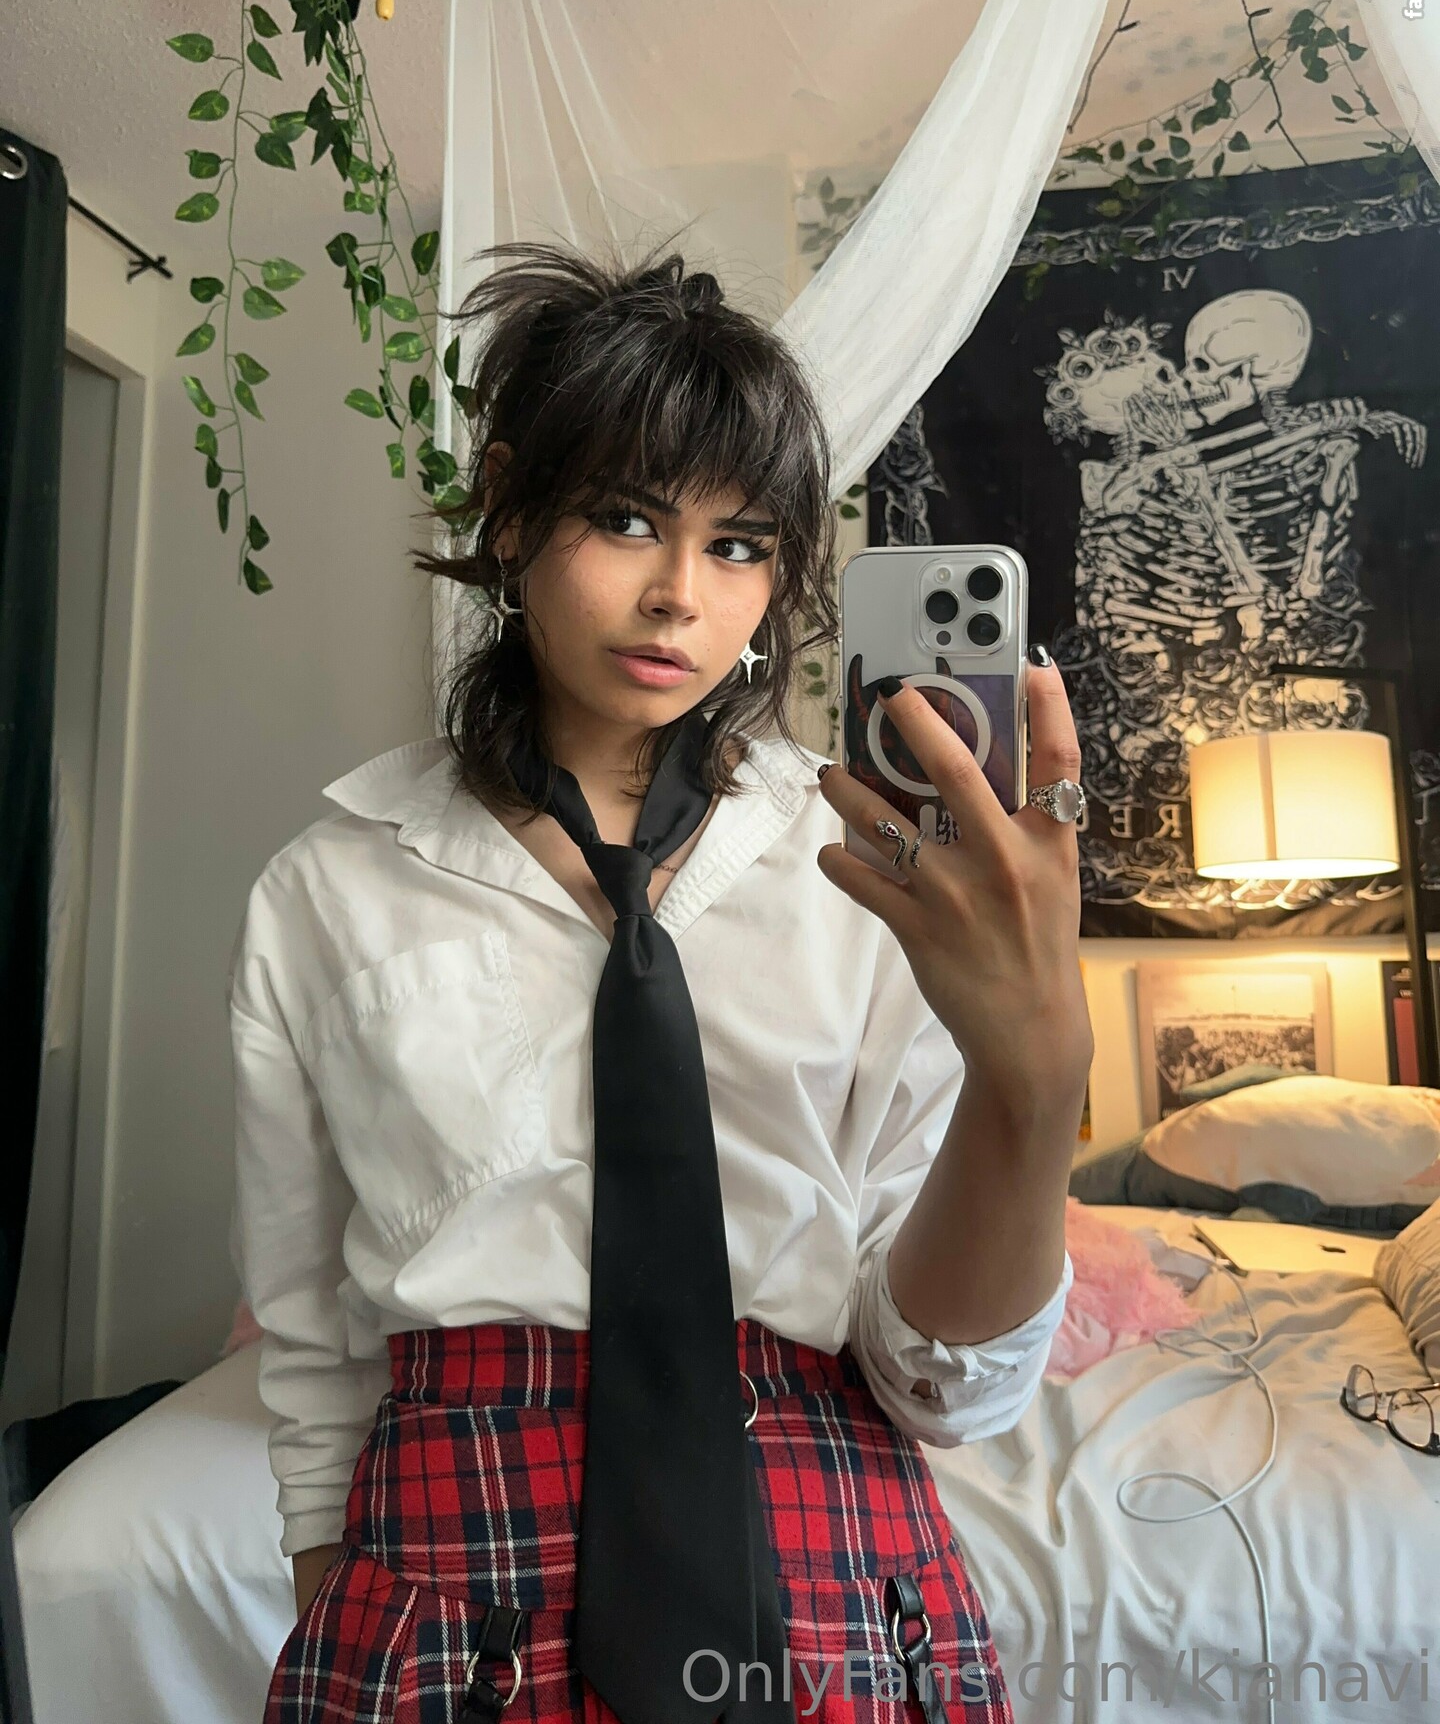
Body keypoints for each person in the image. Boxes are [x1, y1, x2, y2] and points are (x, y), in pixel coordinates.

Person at [230, 241, 1091, 1724]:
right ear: (510, 507)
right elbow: (311, 1334)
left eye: (740, 544)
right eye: (626, 519)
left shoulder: (866, 875)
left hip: (831, 1553)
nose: (681, 595)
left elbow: (944, 1386)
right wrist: (340, 1609)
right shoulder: (328, 890)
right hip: (445, 1568)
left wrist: (1035, 1074)